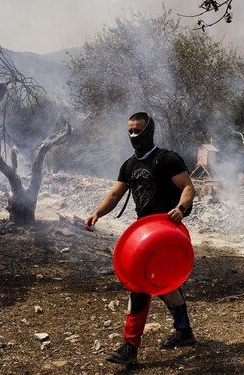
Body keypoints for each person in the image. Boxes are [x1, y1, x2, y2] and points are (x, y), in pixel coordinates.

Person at [84, 112, 196, 366]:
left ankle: (130, 347)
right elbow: (114, 195)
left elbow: (188, 188)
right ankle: (184, 331)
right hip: (145, 236)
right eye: (130, 132)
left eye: (138, 131)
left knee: (142, 286)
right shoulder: (129, 165)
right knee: (160, 284)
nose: (134, 136)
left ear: (149, 131)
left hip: (167, 235)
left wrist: (181, 208)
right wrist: (97, 213)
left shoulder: (167, 159)